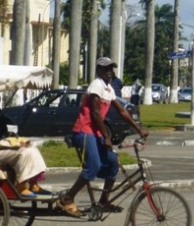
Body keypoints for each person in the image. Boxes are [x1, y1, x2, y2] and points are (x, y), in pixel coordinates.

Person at [57, 57, 148, 217]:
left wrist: (138, 128)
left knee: (113, 164)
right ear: (99, 71)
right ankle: (67, 198)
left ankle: (104, 201)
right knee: (93, 166)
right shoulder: (96, 85)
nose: (109, 72)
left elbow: (122, 111)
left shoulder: (109, 89)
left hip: (96, 132)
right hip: (84, 131)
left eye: (111, 69)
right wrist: (106, 136)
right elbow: (96, 112)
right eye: (106, 69)